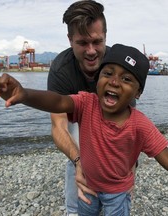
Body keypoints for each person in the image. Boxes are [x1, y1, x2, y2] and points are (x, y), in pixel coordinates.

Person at [0, 43, 168, 215]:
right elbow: (58, 101)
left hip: (118, 195)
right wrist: (24, 93)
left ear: (138, 92)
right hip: (86, 186)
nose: (115, 82)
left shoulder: (140, 124)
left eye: (127, 79)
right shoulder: (85, 104)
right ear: (98, 79)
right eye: (108, 73)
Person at [47, 1, 109, 214]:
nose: (91, 51)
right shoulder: (60, 70)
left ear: (105, 37)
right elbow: (58, 126)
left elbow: (128, 122)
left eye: (97, 42)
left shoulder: (116, 65)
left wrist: (129, 172)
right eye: (82, 43)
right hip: (76, 116)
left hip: (110, 112)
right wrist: (79, 160)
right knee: (78, 153)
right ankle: (74, 209)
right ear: (70, 40)